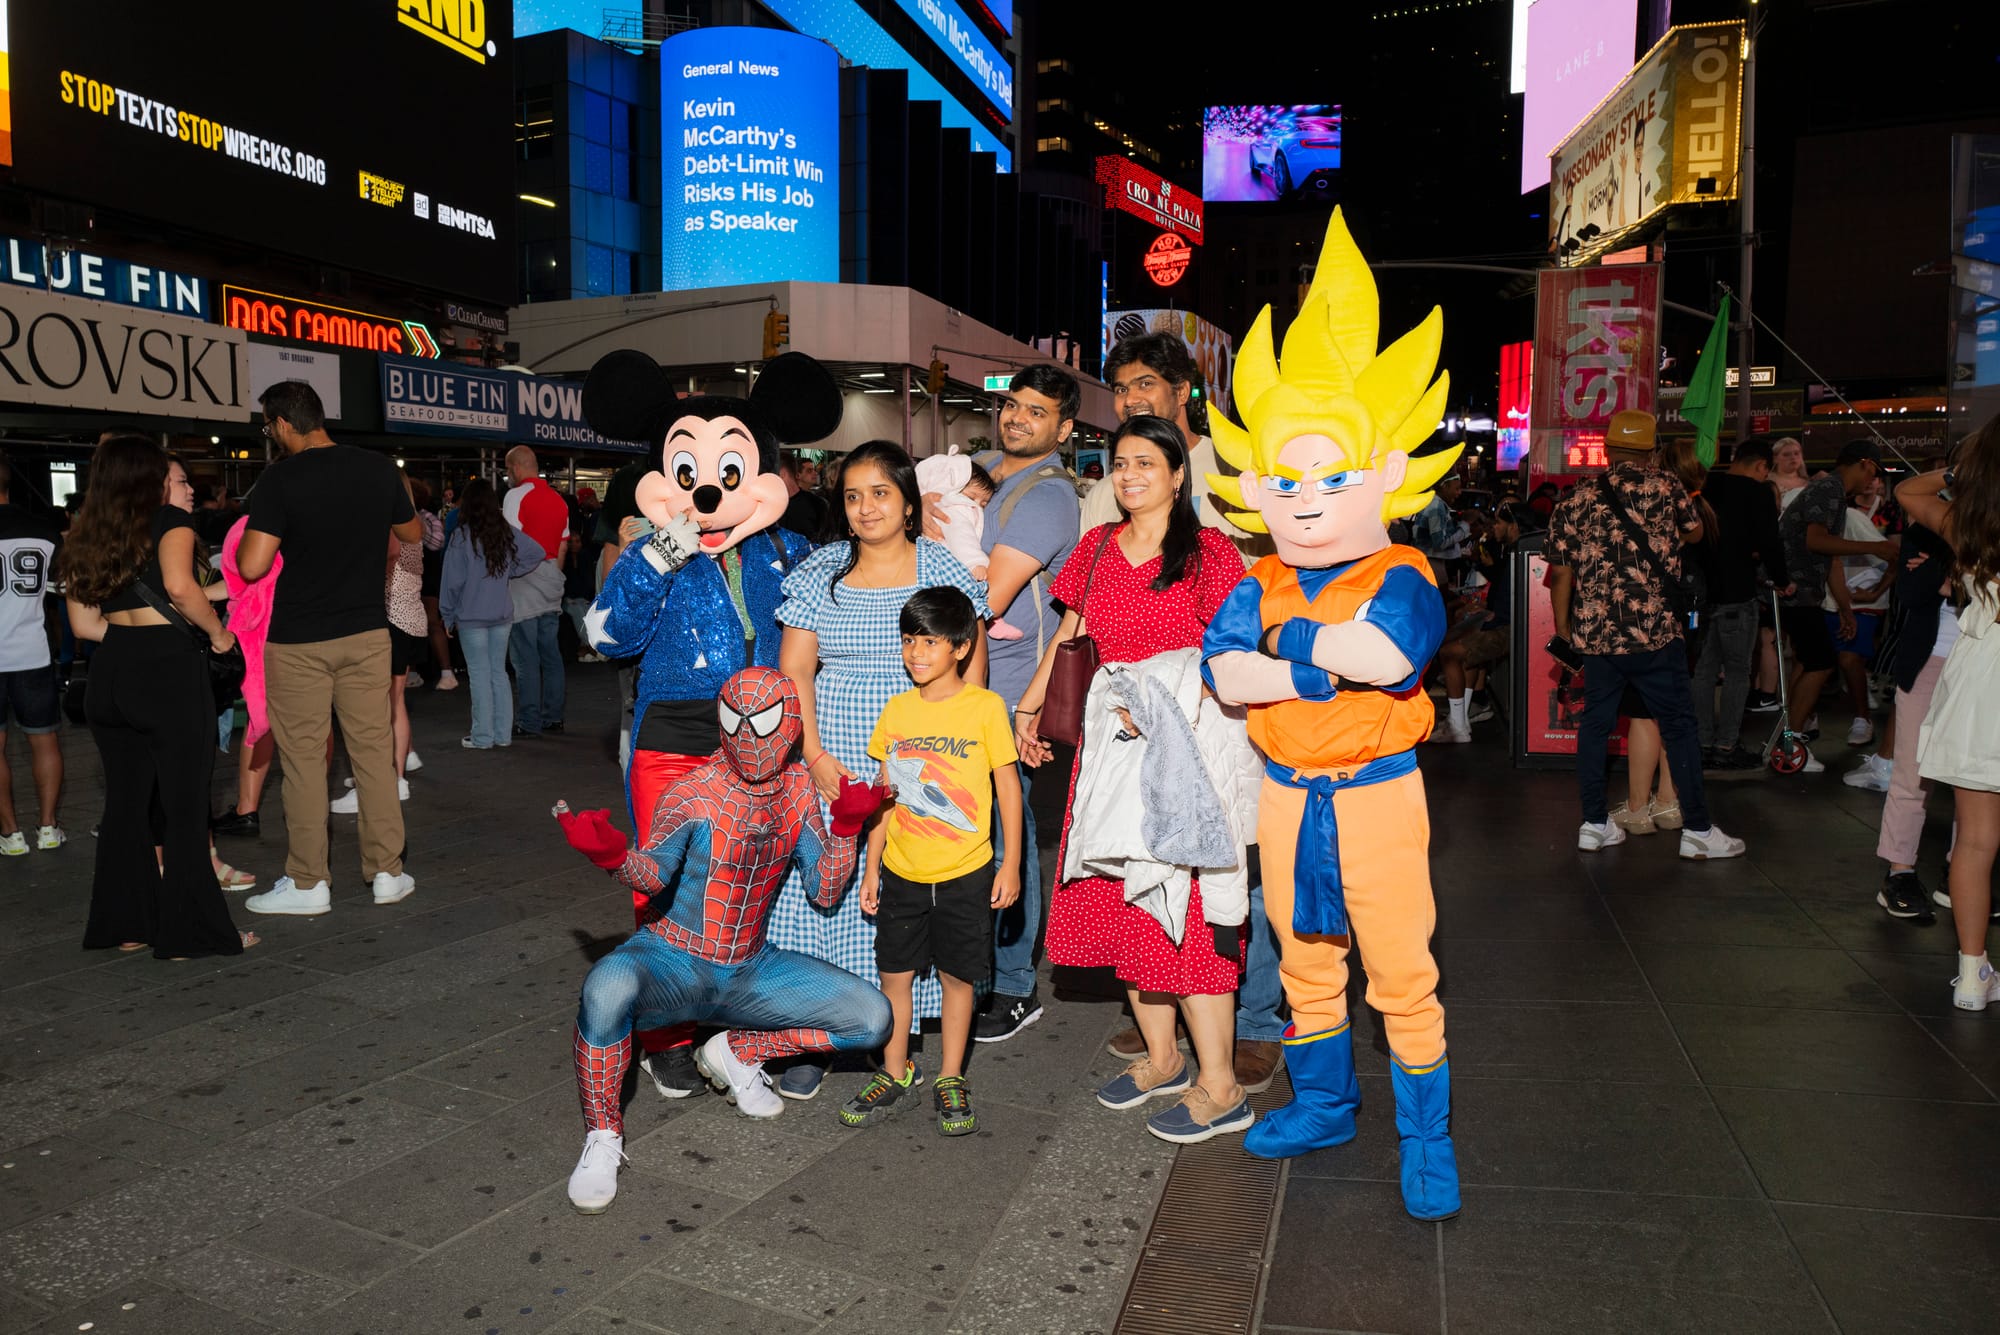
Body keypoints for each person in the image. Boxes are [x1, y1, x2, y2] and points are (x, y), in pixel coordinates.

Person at [1201, 209, 1459, 1219]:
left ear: (1383, 474)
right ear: (1257, 483)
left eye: (1334, 475)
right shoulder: (1252, 573)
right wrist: (1320, 663)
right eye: (1289, 478)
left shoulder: (1401, 569)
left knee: (1397, 965)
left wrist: (1285, 651)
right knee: (1303, 958)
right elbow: (1224, 681)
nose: (1307, 498)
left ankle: (1425, 1138)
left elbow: (1387, 653)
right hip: (1282, 795)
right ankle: (1323, 1104)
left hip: (1375, 800)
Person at [580, 348, 841, 1098]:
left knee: (758, 888)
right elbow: (605, 636)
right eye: (689, 474)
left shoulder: (793, 550)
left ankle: (738, 1030)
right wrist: (658, 552)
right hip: (676, 738)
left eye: (729, 474)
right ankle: (664, 1035)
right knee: (664, 892)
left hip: (768, 744)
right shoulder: (652, 549)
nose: (709, 493)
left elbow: (848, 616)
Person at [555, 668, 891, 1213]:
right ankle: (603, 1137)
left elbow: (825, 892)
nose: (748, 737)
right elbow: (655, 875)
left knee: (871, 1018)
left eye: (763, 722)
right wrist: (614, 858)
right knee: (606, 984)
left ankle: (737, 1052)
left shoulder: (803, 791)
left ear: (792, 723)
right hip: (676, 960)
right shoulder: (692, 793)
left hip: (751, 967)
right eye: (734, 721)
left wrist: (848, 831)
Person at [1014, 415, 1255, 1143]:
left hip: (1181, 759)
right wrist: (1027, 707)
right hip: (1107, 751)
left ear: (1180, 474)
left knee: (1186, 913)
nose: (1129, 476)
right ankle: (1162, 1057)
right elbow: (1069, 636)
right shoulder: (1094, 546)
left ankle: (1223, 1085)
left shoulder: (1210, 552)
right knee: (1124, 905)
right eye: (1120, 463)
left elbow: (1231, 657)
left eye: (1146, 463)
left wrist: (1163, 709)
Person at [1077, 337, 1285, 1089]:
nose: (1130, 399)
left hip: (1216, 704)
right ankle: (1162, 1022)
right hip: (1128, 719)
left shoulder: (1231, 465)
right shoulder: (1109, 488)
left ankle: (1255, 1021)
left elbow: (1255, 588)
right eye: (1120, 389)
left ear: (1184, 388)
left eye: (1143, 384)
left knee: (1229, 869)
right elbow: (1095, 596)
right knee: (1144, 866)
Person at [771, 439, 990, 1099]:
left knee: (907, 895)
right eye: (853, 496)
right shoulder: (821, 570)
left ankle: (893, 1033)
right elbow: (795, 671)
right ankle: (817, 1033)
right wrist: (812, 756)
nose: (866, 508)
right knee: (823, 896)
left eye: (881, 494)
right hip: (832, 753)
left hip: (918, 762)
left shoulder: (942, 567)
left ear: (909, 503)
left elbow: (971, 682)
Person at [59, 436, 256, 958]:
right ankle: (192, 933)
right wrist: (217, 636)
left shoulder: (85, 534)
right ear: (149, 477)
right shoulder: (170, 522)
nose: (184, 487)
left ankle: (126, 927)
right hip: (166, 676)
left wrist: (136, 636)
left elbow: (83, 622)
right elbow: (179, 588)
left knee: (124, 807)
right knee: (185, 808)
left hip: (111, 674)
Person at [933, 366, 1080, 1049]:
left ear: (1065, 428)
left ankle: (1017, 984)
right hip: (952, 685)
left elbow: (985, 597)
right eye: (1014, 405)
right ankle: (972, 966)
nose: (1019, 417)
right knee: (960, 833)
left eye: (1038, 411)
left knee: (1006, 835)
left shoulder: (1049, 496)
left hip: (1008, 695)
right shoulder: (982, 466)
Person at [235, 380, 421, 917]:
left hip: (298, 641)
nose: (270, 436)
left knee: (303, 763)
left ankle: (309, 883)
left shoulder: (280, 479)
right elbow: (410, 532)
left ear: (284, 424)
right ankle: (388, 872)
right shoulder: (377, 467)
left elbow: (251, 564)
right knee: (373, 757)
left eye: (269, 427)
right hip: (365, 634)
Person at [844, 587, 1022, 1136]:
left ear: (962, 648)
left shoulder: (985, 708)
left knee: (957, 977)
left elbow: (1009, 790)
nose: (916, 652)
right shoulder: (897, 710)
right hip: (903, 870)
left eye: (930, 641)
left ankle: (950, 1075)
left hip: (967, 871)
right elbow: (884, 795)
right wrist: (872, 866)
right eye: (908, 640)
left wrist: (1011, 863)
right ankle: (896, 1072)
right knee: (893, 975)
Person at [1547, 410, 1745, 858]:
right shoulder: (1667, 487)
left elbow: (1560, 572)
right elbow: (1695, 535)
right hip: (1655, 631)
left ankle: (1593, 824)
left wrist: (1565, 628)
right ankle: (1696, 830)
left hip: (1597, 636)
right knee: (1677, 727)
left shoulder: (1577, 498)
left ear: (1609, 448)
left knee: (1595, 727)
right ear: (1653, 451)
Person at [1898, 425, 2000, 1011]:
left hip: (1981, 676)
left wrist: (1960, 475)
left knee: (1975, 841)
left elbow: (1910, 492)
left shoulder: (1971, 526)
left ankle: (1970, 974)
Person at [1775, 440, 1900, 771]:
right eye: (1873, 470)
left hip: (1802, 591)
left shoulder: (1834, 496)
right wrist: (1880, 548)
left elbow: (1831, 559)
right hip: (1795, 590)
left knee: (1816, 661)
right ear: (1865, 464)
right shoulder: (1829, 489)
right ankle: (1790, 744)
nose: (1872, 480)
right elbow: (1815, 541)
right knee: (1820, 662)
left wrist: (1845, 608)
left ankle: (1789, 739)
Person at [1872, 518, 1958, 920]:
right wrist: (1952, 575)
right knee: (1912, 772)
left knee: (1977, 779)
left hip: (1983, 664)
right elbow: (1910, 590)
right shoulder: (1926, 527)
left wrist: (1946, 578)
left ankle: (1961, 873)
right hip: (1927, 661)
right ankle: (1899, 870)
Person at [1692, 437, 1793, 769]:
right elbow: (1769, 542)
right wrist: (1782, 580)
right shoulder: (1757, 493)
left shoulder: (1706, 485)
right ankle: (1726, 746)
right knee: (1737, 673)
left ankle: (1701, 742)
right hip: (1738, 594)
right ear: (1762, 466)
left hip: (1703, 596)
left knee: (1703, 672)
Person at [332, 469, 427, 811]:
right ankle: (397, 777)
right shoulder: (415, 526)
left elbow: (383, 566)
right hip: (410, 619)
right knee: (395, 702)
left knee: (377, 706)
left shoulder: (388, 528)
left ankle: (378, 780)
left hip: (389, 620)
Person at [440, 479, 545, 749]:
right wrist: (511, 570)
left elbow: (452, 581)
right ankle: (502, 735)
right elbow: (537, 552)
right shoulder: (504, 532)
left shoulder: (461, 536)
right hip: (501, 614)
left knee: (479, 675)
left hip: (471, 615)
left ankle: (483, 737)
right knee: (498, 673)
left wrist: (447, 615)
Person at [0, 454, 64, 855]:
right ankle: (48, 827)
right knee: (44, 743)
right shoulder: (45, 531)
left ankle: (10, 835)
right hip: (33, 654)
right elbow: (61, 589)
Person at [1430, 502, 1536, 742]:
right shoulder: (1513, 550)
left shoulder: (1519, 552)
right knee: (1465, 651)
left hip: (1509, 628)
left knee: (1448, 653)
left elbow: (1517, 600)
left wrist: (1493, 616)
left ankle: (1457, 725)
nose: (1494, 527)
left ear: (1513, 526)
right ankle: (1461, 720)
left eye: (1499, 522)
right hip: (1504, 622)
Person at [500, 446, 571, 737]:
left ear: (516, 468)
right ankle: (553, 717)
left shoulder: (514, 496)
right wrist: (553, 575)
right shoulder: (558, 499)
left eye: (507, 470)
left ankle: (529, 721)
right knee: (551, 655)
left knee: (525, 657)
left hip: (523, 583)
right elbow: (564, 544)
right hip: (552, 579)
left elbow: (509, 543)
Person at [913, 451, 1002, 582]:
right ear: (953, 488)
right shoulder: (957, 509)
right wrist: (975, 562)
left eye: (984, 504)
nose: (976, 504)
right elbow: (961, 535)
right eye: (971, 497)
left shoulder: (939, 506)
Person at [413, 479, 458, 691]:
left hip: (426, 576)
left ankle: (446, 672)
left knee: (431, 623)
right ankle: (412, 671)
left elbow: (437, 543)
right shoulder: (427, 517)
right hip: (420, 575)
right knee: (410, 625)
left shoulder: (426, 518)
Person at [566, 485, 604, 662]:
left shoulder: (583, 557)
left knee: (581, 609)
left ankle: (588, 645)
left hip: (578, 597)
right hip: (575, 598)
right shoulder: (581, 558)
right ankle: (590, 645)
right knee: (578, 609)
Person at [779, 453, 829, 541]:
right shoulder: (771, 507)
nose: (815, 473)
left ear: (782, 473)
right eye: (809, 470)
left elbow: (827, 538)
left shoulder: (818, 504)